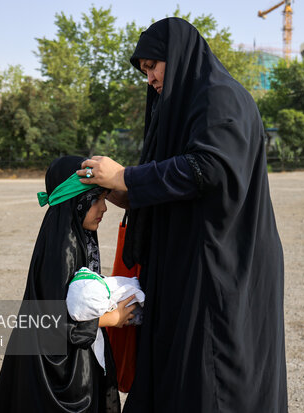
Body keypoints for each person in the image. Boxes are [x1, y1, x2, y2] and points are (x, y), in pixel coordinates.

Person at [77, 18, 288, 413]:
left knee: (213, 376)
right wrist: (121, 191)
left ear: (179, 57)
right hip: (190, 262)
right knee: (179, 373)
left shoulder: (220, 97)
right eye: (144, 71)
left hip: (220, 265)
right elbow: (179, 187)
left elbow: (208, 170)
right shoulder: (187, 106)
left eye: (153, 66)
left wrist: (126, 175)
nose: (150, 78)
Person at [0, 156, 136, 413]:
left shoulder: (70, 235)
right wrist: (113, 318)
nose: (104, 208)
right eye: (96, 200)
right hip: (55, 373)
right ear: (78, 203)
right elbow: (54, 321)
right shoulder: (63, 248)